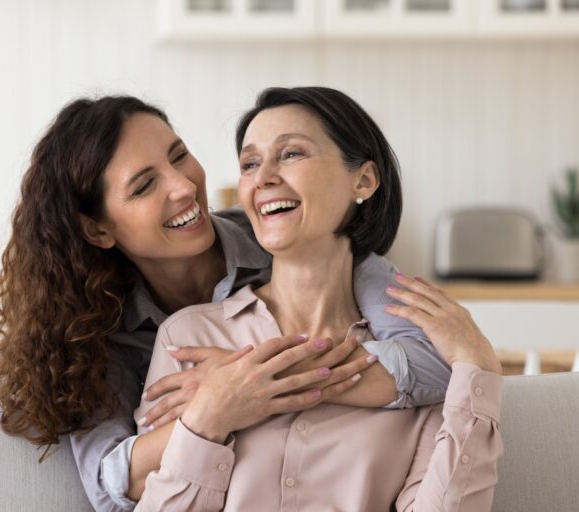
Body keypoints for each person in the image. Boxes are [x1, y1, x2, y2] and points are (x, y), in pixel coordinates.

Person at [0, 95, 452, 511]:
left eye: (179, 156)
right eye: (144, 186)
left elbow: (436, 364)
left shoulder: (289, 236)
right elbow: (112, 482)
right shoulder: (96, 328)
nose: (184, 187)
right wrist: (217, 404)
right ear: (98, 230)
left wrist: (256, 379)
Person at [133, 86, 504, 511]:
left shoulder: (426, 358)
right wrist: (210, 415)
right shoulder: (189, 337)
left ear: (362, 180)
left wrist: (479, 364)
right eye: (250, 163)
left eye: (291, 154)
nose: (264, 177)